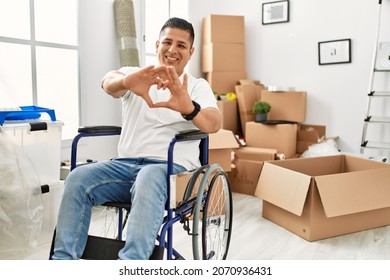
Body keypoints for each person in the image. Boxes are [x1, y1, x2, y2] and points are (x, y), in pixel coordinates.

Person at [52, 17, 221, 260]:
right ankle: (62, 261)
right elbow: (108, 83)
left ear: (191, 52)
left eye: (181, 46)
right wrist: (126, 81)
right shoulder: (135, 75)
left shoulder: (196, 86)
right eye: (167, 42)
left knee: (149, 175)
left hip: (172, 172)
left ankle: (132, 265)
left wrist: (189, 108)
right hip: (124, 166)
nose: (173, 50)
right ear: (157, 45)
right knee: (78, 177)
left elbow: (214, 123)